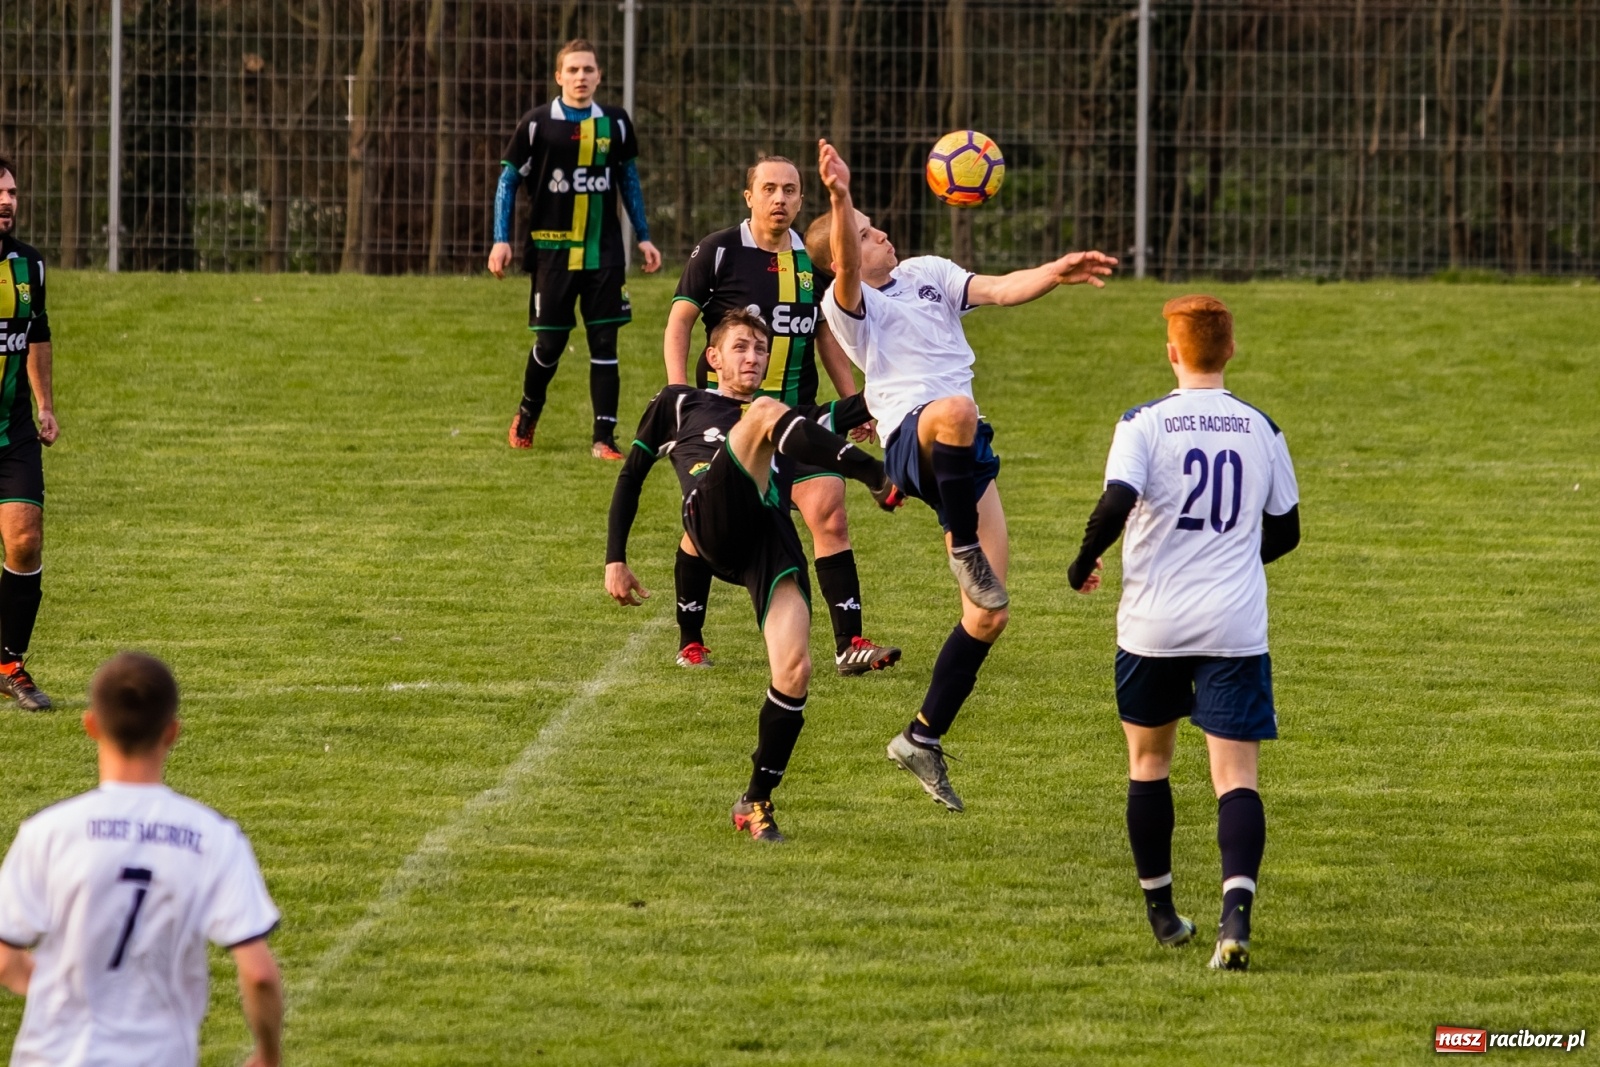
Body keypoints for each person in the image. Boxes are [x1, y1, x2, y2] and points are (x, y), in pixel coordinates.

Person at [810, 139, 1115, 813]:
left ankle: (922, 736)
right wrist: (838, 197)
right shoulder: (848, 305)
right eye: (863, 233)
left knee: (989, 610)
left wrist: (1055, 271)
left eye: (872, 226)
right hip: (913, 438)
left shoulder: (928, 271)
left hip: (964, 445)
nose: (878, 231)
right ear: (845, 254)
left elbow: (1000, 289)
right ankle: (962, 542)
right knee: (955, 408)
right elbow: (846, 267)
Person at [1066, 295, 1300, 971]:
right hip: (1233, 624)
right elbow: (1285, 529)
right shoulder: (1260, 426)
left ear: (1172, 352)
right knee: (1237, 778)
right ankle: (1234, 918)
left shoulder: (1144, 422)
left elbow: (1116, 500)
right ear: (1229, 350)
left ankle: (1164, 915)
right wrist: (1228, 561)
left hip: (1152, 624)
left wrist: (1083, 561)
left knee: (1149, 765)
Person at [606, 309, 903, 842]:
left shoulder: (784, 416)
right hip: (711, 515)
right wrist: (615, 558)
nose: (753, 357)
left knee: (795, 670)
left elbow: (854, 405)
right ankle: (872, 473)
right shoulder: (680, 402)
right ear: (713, 358)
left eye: (761, 350)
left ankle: (754, 801)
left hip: (767, 538)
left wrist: (909, 379)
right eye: (741, 347)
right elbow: (631, 476)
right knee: (765, 414)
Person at [664, 156, 898, 676]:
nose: (780, 199)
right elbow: (679, 321)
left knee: (830, 513)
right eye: (769, 189)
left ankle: (849, 643)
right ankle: (691, 639)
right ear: (749, 196)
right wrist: (681, 394)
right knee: (708, 526)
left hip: (798, 421)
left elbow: (826, 337)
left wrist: (852, 401)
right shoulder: (719, 251)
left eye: (790, 190)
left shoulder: (812, 262)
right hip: (726, 423)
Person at [0, 652, 284, 1065]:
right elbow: (259, 975)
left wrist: (64, 992)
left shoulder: (48, 832)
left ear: (91, 726)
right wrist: (268, 1053)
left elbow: (6, 957)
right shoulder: (212, 837)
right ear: (171, 733)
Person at [489, 38, 662, 460]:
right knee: (549, 344)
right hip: (551, 252)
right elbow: (508, 181)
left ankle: (604, 439)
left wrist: (643, 235)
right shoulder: (536, 124)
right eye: (573, 70)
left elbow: (629, 182)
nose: (581, 77)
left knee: (605, 342)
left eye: (588, 70)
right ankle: (527, 414)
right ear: (559, 76)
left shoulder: (616, 124)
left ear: (599, 75)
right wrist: (501, 240)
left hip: (603, 253)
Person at [0, 157, 59, 711]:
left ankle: (10, 662)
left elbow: (35, 334)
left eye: (13, 192)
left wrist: (45, 404)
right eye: (0, 192)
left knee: (24, 538)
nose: (7, 201)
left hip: (13, 430)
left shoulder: (28, 265)